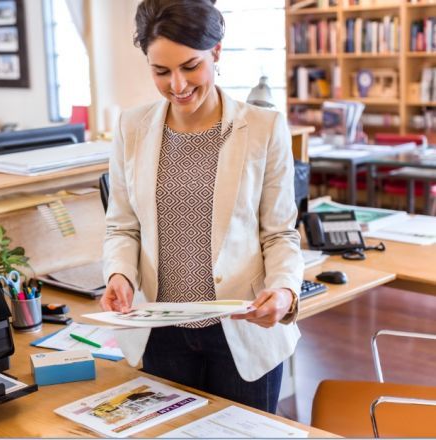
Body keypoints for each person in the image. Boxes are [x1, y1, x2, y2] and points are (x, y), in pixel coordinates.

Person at [100, 0, 303, 414]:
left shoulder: (264, 128)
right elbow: (122, 226)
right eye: (161, 71)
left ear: (217, 52)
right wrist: (119, 274)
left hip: (242, 334)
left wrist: (284, 291)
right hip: (162, 333)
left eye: (190, 66)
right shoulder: (131, 127)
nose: (177, 85)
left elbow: (280, 233)